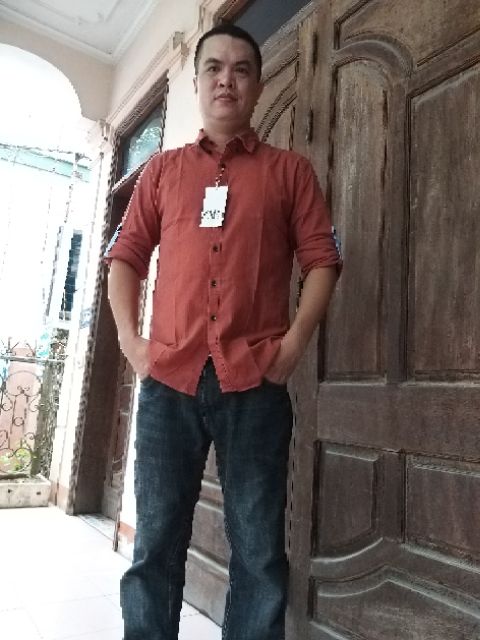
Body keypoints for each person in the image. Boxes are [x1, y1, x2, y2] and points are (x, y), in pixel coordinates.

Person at [106, 23, 342, 640]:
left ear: (258, 86)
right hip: (168, 382)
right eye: (213, 67)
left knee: (259, 555)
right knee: (154, 547)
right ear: (197, 81)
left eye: (241, 69)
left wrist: (293, 345)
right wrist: (131, 342)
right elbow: (125, 258)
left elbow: (322, 261)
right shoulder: (161, 172)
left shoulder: (290, 173)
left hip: (256, 386)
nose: (226, 80)